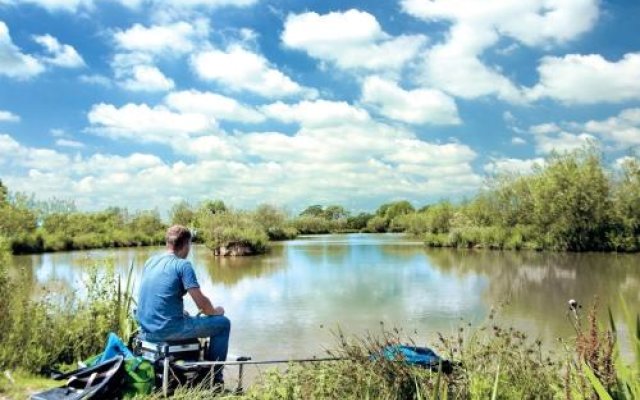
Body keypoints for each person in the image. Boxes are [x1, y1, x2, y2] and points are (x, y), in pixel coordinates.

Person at [136, 225, 230, 383]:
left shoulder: (150, 261)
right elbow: (202, 305)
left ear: (168, 242)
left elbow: (156, 295)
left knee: (190, 318)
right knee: (223, 324)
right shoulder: (183, 265)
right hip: (167, 329)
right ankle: (214, 378)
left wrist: (179, 312)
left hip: (146, 328)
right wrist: (215, 311)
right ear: (187, 244)